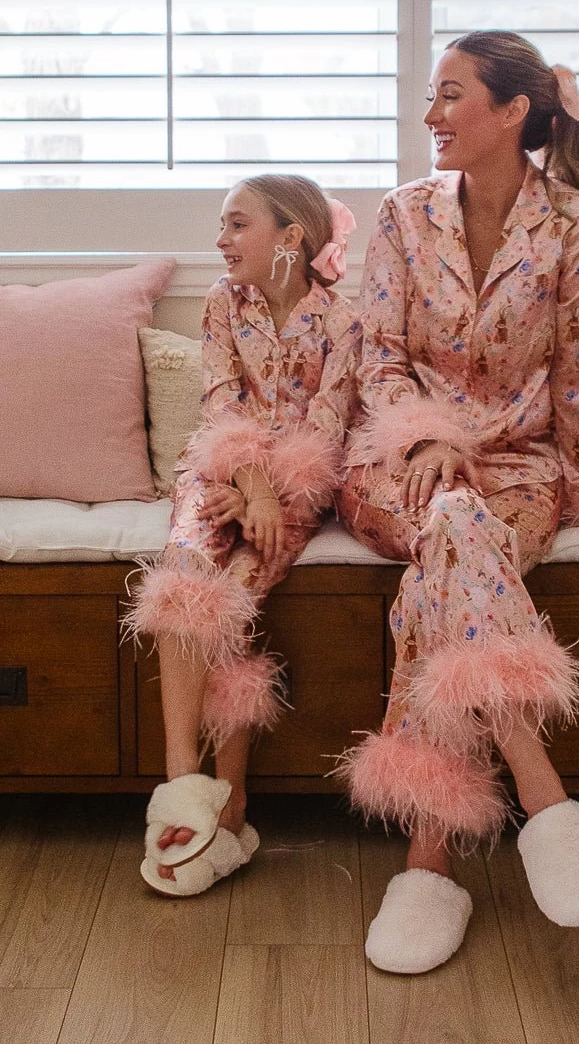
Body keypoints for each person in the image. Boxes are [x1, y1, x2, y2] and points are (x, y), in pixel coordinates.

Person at [337, 30, 579, 974]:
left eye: (451, 95)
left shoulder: (574, 225)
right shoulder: (403, 215)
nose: (431, 115)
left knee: (455, 543)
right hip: (397, 462)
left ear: (513, 111)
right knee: (448, 515)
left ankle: (430, 863)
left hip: (520, 472)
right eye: (432, 96)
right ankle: (544, 797)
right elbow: (377, 358)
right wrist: (426, 437)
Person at [126, 174, 360, 897]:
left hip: (295, 495)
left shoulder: (344, 322)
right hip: (219, 474)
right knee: (183, 575)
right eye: (222, 226)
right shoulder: (222, 304)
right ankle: (184, 789)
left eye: (236, 225)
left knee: (234, 597)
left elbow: (327, 431)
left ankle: (232, 816)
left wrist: (269, 495)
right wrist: (244, 485)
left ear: (291, 236)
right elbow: (222, 402)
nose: (221, 240)